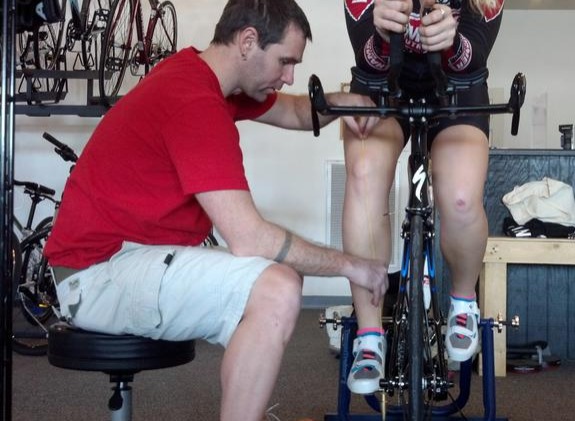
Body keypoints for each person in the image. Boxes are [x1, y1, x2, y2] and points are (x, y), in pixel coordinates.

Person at [43, 1, 388, 420]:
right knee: (276, 288)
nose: (289, 76)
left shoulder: (207, 81)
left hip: (125, 259)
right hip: (97, 276)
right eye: (285, 61)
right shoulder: (194, 102)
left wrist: (346, 103)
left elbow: (298, 112)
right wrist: (353, 266)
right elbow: (250, 239)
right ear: (248, 41)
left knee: (277, 281)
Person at [341, 0, 504, 394]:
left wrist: (452, 42)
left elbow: (475, 56)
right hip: (382, 88)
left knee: (462, 198)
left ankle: (463, 302)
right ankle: (369, 332)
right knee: (364, 177)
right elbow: (366, 58)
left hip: (458, 93)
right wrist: (380, 37)